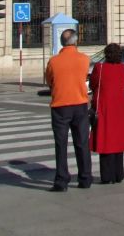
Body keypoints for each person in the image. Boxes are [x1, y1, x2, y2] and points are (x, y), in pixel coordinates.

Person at [45, 28, 92, 191]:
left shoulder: (53, 61)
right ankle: (85, 178)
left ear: (62, 42)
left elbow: (49, 80)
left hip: (60, 106)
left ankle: (61, 181)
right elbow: (85, 76)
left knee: (61, 145)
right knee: (82, 143)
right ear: (76, 41)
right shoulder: (84, 59)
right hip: (80, 104)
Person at [90, 43, 124, 184]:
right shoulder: (123, 68)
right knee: (118, 141)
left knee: (106, 140)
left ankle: (107, 176)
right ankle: (118, 174)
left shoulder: (100, 67)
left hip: (105, 105)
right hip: (120, 106)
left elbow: (93, 83)